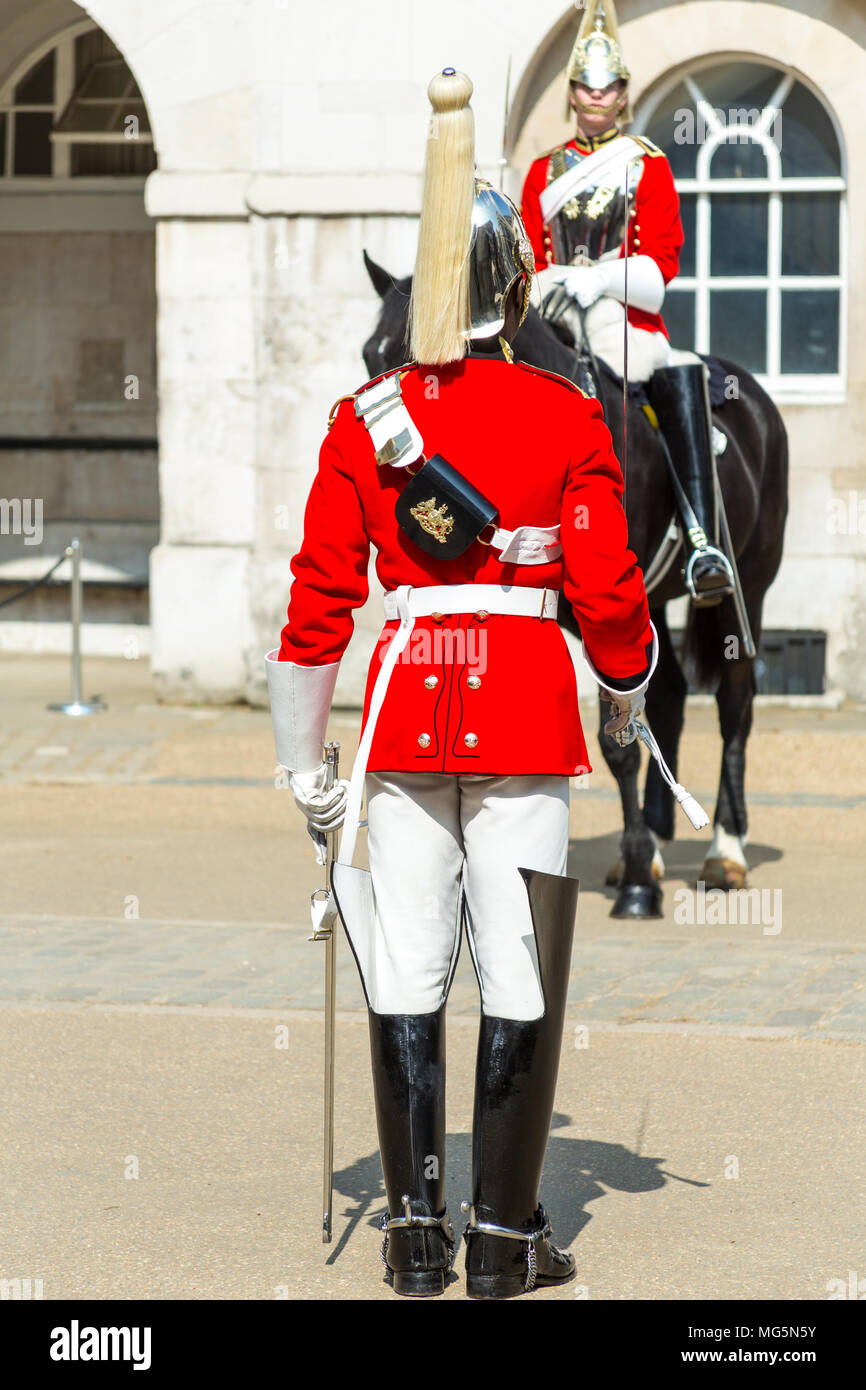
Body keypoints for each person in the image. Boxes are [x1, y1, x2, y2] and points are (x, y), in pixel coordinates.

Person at [266, 67, 657, 1299]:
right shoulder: (562, 414)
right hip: (524, 712)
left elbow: (317, 603)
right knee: (518, 970)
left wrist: (302, 762)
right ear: (510, 289)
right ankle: (503, 1240)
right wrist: (629, 678)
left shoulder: (359, 419)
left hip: (403, 711)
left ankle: (411, 1234)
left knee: (405, 966)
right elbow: (604, 594)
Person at [521, 0, 735, 606]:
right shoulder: (542, 172)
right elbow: (527, 262)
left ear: (622, 94)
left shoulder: (649, 166)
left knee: (671, 373)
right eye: (585, 88)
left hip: (624, 317)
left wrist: (605, 278)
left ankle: (700, 542)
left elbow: (662, 266)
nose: (595, 97)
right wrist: (557, 280)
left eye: (607, 87)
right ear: (571, 94)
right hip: (554, 312)